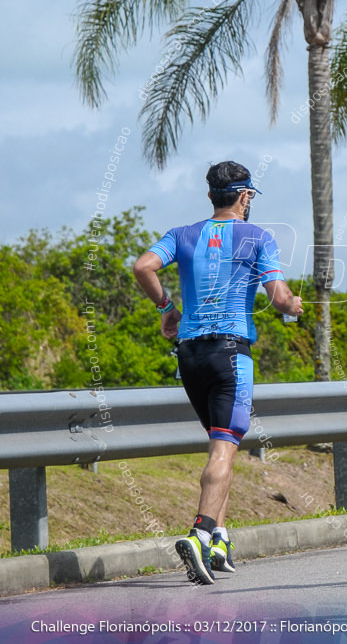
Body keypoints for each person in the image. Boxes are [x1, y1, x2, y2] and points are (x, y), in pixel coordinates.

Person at [132, 161, 303, 585]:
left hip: (189, 355)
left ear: (211, 196)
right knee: (224, 449)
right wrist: (293, 305)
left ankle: (220, 540)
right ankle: (201, 530)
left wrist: (167, 309)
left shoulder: (181, 235)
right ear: (245, 197)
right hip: (231, 354)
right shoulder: (259, 236)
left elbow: (142, 267)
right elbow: (278, 298)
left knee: (217, 446)